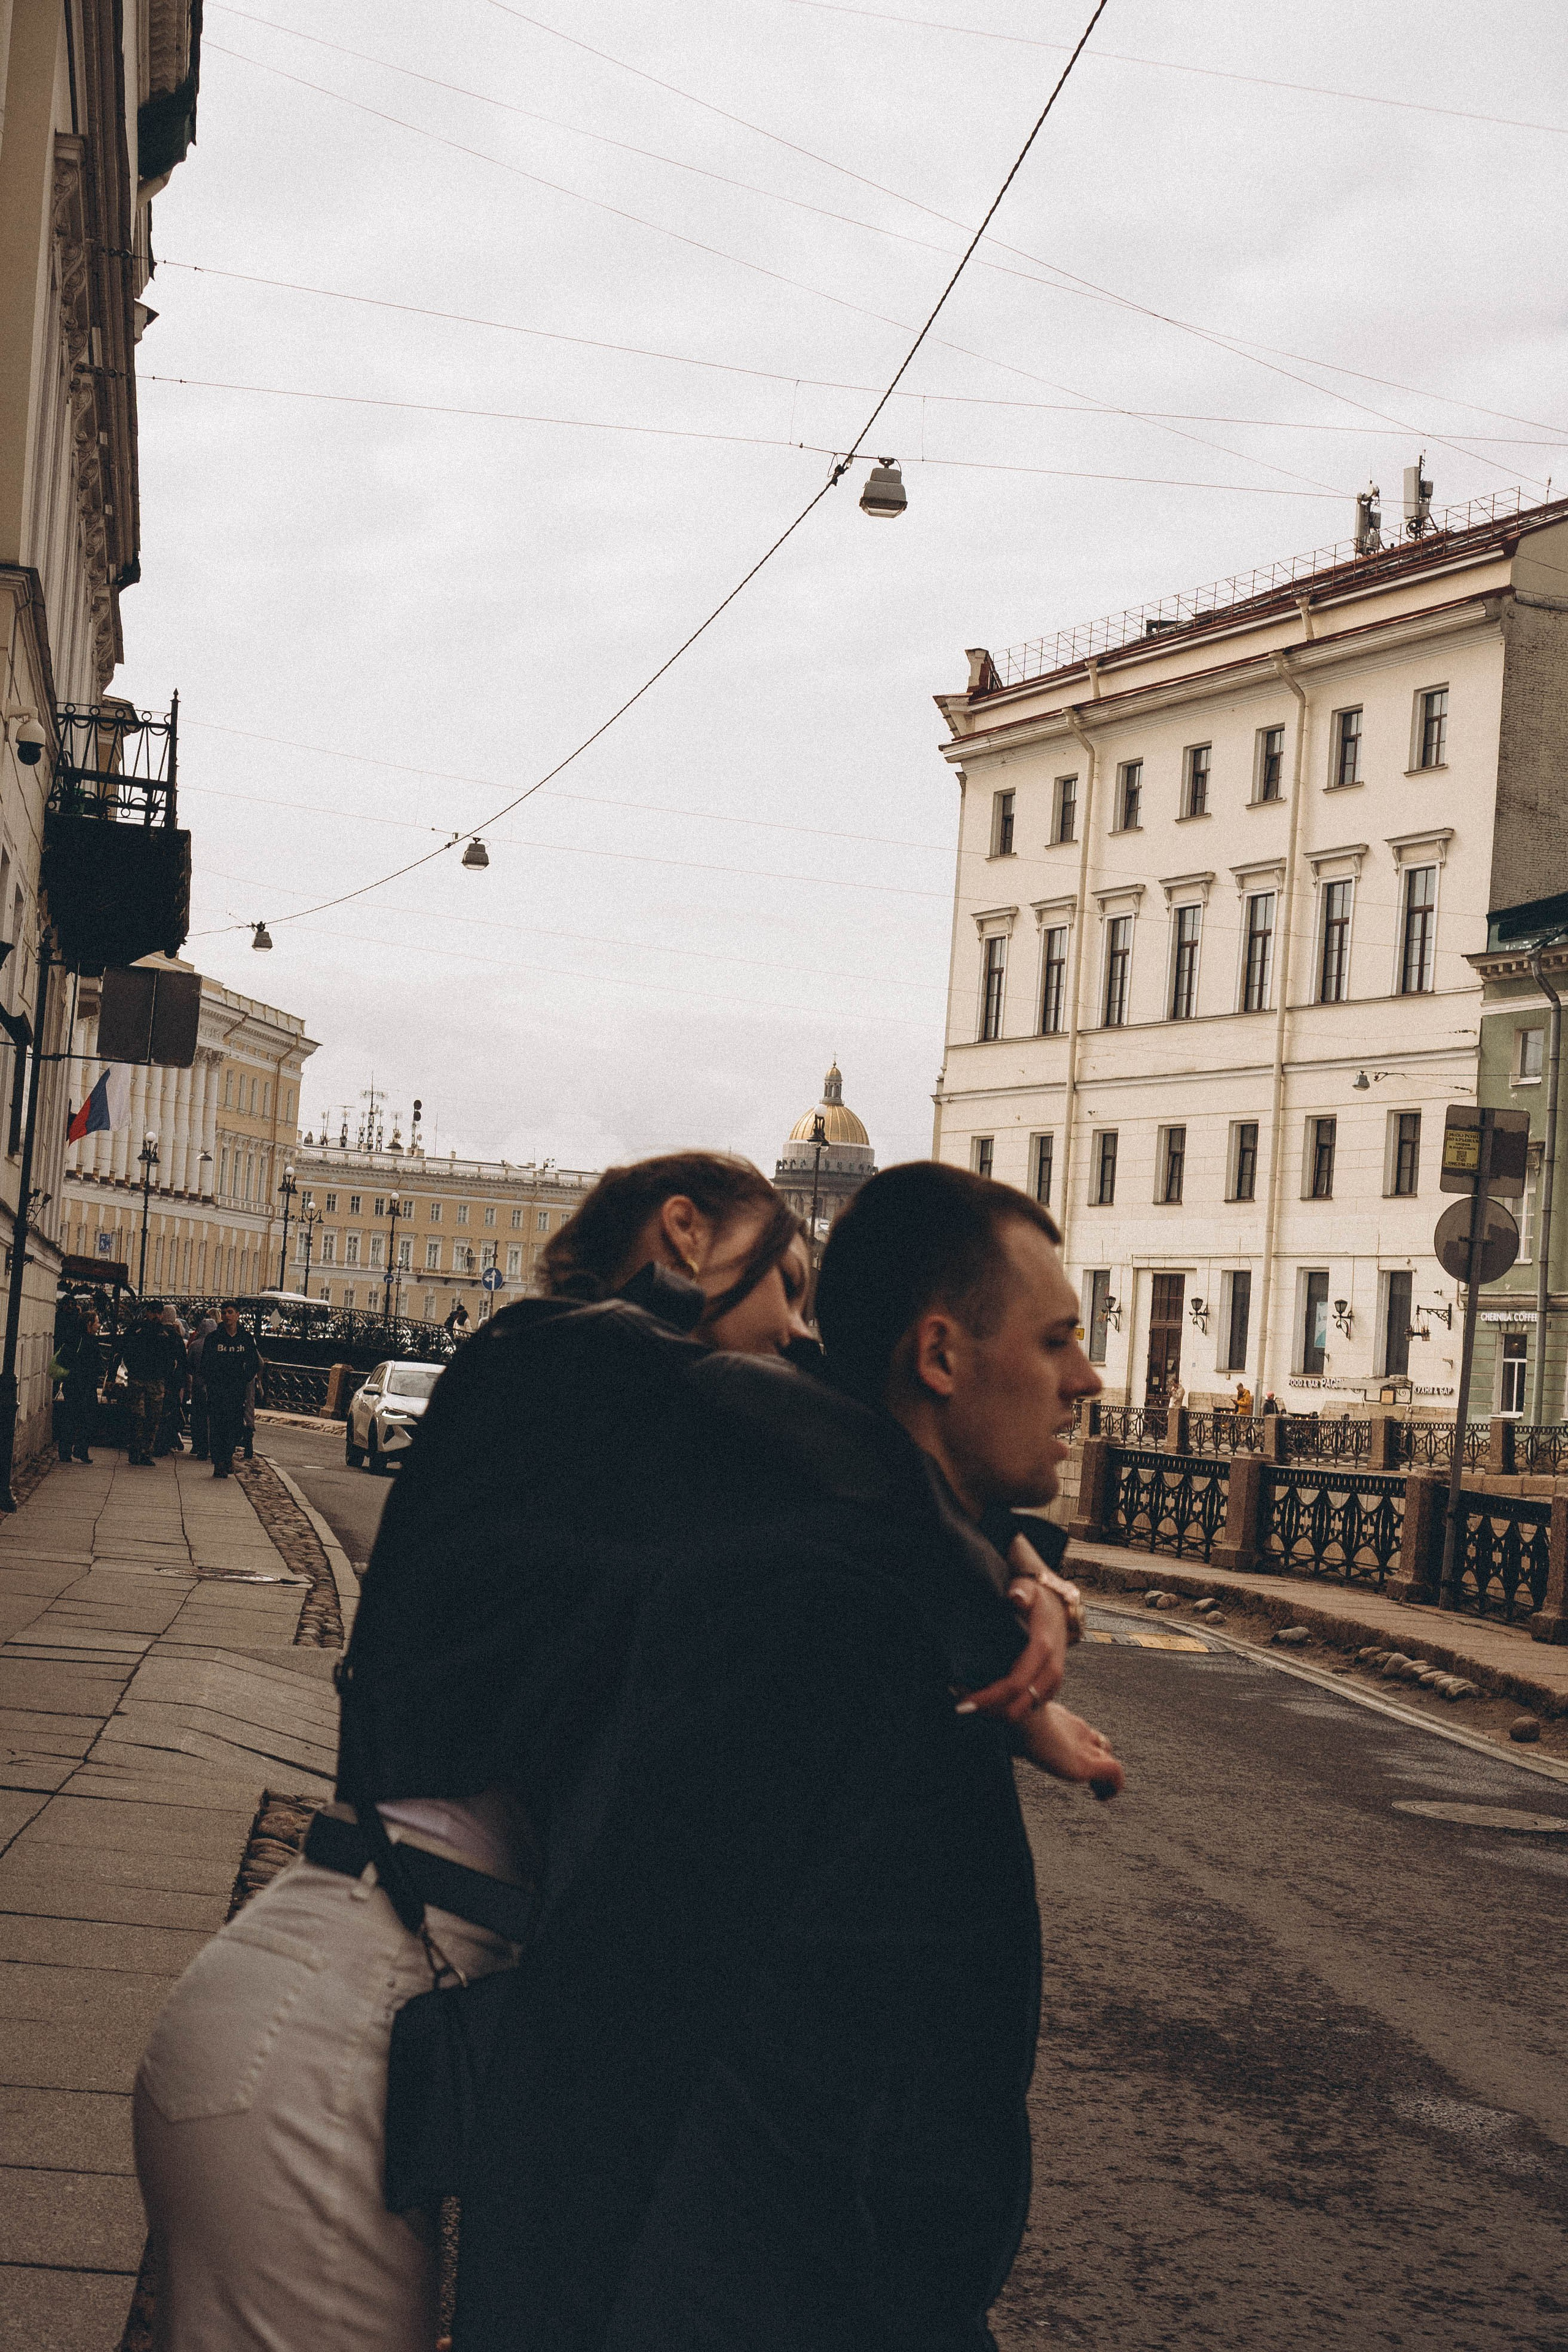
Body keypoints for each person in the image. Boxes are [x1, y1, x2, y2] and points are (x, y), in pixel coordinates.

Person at [131, 1155, 863, 2351]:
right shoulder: (554, 1350)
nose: (793, 1328)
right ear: (683, 1233)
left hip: (343, 2020)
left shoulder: (588, 1436)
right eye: (783, 1283)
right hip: (328, 2037)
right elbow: (814, 1440)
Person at [453, 1161, 1116, 2349]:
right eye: (1057, 1338)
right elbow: (623, 2003)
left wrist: (1003, 1565)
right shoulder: (817, 1609)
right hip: (779, 2288)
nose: (1086, 1377)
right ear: (938, 1355)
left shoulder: (880, 1580)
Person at [104, 1302, 184, 1468]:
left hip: (157, 1380)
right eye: (152, 1312)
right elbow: (119, 1351)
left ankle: (146, 1452)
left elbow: (181, 1358)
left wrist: (175, 1383)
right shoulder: (136, 1330)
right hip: (137, 1378)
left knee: (153, 1418)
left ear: (162, 1315)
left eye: (158, 1313)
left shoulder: (167, 1334)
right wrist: (111, 1376)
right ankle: (135, 1450)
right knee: (137, 1416)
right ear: (147, 1313)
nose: (155, 1316)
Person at [200, 1303, 262, 1477]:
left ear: (237, 1315)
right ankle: (219, 1462)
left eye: (230, 1312)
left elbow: (254, 1363)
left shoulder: (245, 1339)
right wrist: (212, 1380)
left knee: (233, 1428)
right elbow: (205, 1363)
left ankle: (228, 1457)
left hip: (236, 1392)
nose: (227, 1316)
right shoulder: (214, 1338)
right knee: (218, 1427)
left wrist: (244, 1378)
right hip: (218, 1391)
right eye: (224, 1313)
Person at [55, 1306, 101, 1463]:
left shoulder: (76, 1338)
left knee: (75, 1419)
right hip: (81, 1386)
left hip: (77, 1385)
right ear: (89, 1324)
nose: (99, 1325)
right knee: (82, 1420)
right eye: (97, 1322)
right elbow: (95, 1365)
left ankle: (69, 1451)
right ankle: (77, 1451)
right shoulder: (85, 1340)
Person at [153, 1306, 189, 1457]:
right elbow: (183, 1363)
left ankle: (154, 1442)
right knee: (169, 1413)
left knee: (155, 1413)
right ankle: (166, 1442)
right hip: (173, 1383)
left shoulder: (155, 1333)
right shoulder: (176, 1337)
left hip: (156, 1379)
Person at [185, 1314, 217, 1459]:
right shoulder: (218, 1345)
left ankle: (198, 1445)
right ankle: (211, 1446)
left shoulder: (194, 1346)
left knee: (198, 1417)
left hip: (198, 1386)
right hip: (214, 1387)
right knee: (213, 1418)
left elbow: (189, 1367)